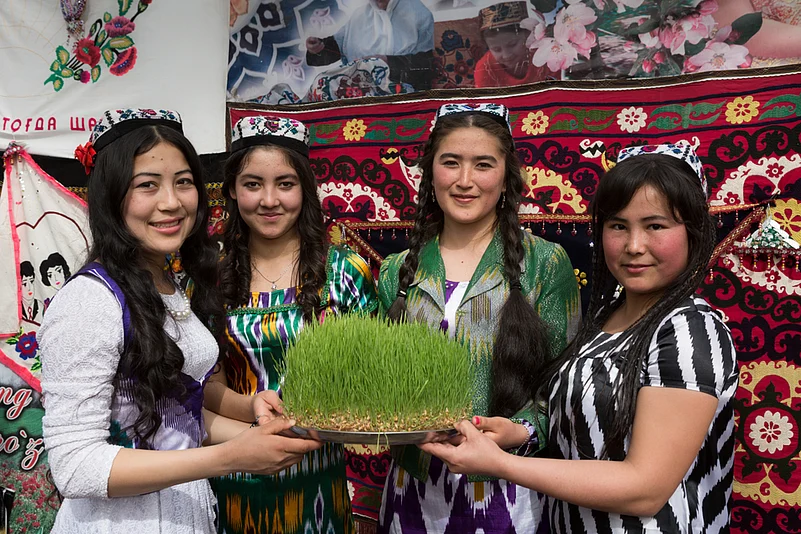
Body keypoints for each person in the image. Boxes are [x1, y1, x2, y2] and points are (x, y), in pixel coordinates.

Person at [421, 143, 739, 534]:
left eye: (655, 226)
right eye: (618, 226)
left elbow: (645, 488)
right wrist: (521, 432)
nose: (634, 246)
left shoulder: (691, 329)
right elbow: (586, 426)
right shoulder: (605, 318)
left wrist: (502, 465)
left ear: (692, 232)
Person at [39, 108, 320, 534]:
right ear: (110, 194)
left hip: (185, 515)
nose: (171, 202)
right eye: (147, 185)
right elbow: (75, 466)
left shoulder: (165, 284)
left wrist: (253, 420)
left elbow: (171, 418)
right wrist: (232, 458)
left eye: (183, 182)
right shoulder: (88, 302)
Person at [377, 103, 581, 533]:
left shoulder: (545, 264)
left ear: (506, 176)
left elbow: (563, 389)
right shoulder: (396, 270)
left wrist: (521, 430)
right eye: (450, 162)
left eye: (483, 164)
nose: (465, 181)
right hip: (411, 486)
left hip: (506, 486)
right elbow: (383, 380)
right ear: (430, 174)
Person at [203, 115, 379, 534]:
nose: (269, 200)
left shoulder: (345, 272)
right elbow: (206, 387)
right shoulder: (210, 279)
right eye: (252, 184)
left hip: (321, 484)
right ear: (231, 190)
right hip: (234, 477)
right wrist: (251, 409)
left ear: (305, 188)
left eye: (285, 183)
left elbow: (372, 379)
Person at [305, 0, 435, 91]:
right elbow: (337, 48)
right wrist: (317, 48)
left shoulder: (419, 15)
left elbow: (424, 66)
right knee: (321, 83)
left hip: (398, 90)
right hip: (358, 89)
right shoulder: (360, 16)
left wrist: (386, 62)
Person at [473, 2, 549, 88]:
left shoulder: (546, 53)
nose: (506, 55)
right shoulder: (484, 69)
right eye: (496, 49)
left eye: (512, 44)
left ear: (527, 35)